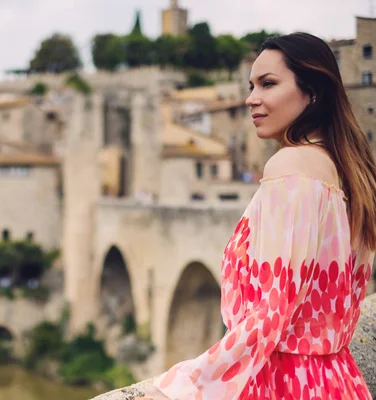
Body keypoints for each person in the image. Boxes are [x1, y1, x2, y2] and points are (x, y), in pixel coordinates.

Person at [144, 32, 376, 399]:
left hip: (289, 382)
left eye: (268, 84)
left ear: (313, 91)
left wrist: (189, 379)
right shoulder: (351, 172)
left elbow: (271, 311)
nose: (252, 99)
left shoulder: (291, 165)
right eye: (251, 86)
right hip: (337, 378)